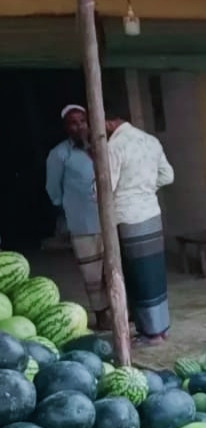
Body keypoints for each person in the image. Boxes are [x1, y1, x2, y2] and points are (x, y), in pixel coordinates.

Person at [104, 108, 174, 345]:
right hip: (151, 213)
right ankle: (162, 328)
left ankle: (150, 333)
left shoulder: (114, 146)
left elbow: (105, 187)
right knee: (154, 272)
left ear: (110, 122)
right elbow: (168, 175)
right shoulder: (150, 140)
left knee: (138, 275)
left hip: (128, 217)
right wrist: (145, 189)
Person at [45, 105, 110, 330]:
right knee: (92, 273)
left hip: (109, 221)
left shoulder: (101, 147)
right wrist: (69, 207)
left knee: (112, 269)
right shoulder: (59, 154)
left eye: (82, 121)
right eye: (73, 123)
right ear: (66, 127)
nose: (79, 126)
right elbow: (53, 189)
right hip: (82, 223)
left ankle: (118, 308)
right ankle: (101, 315)